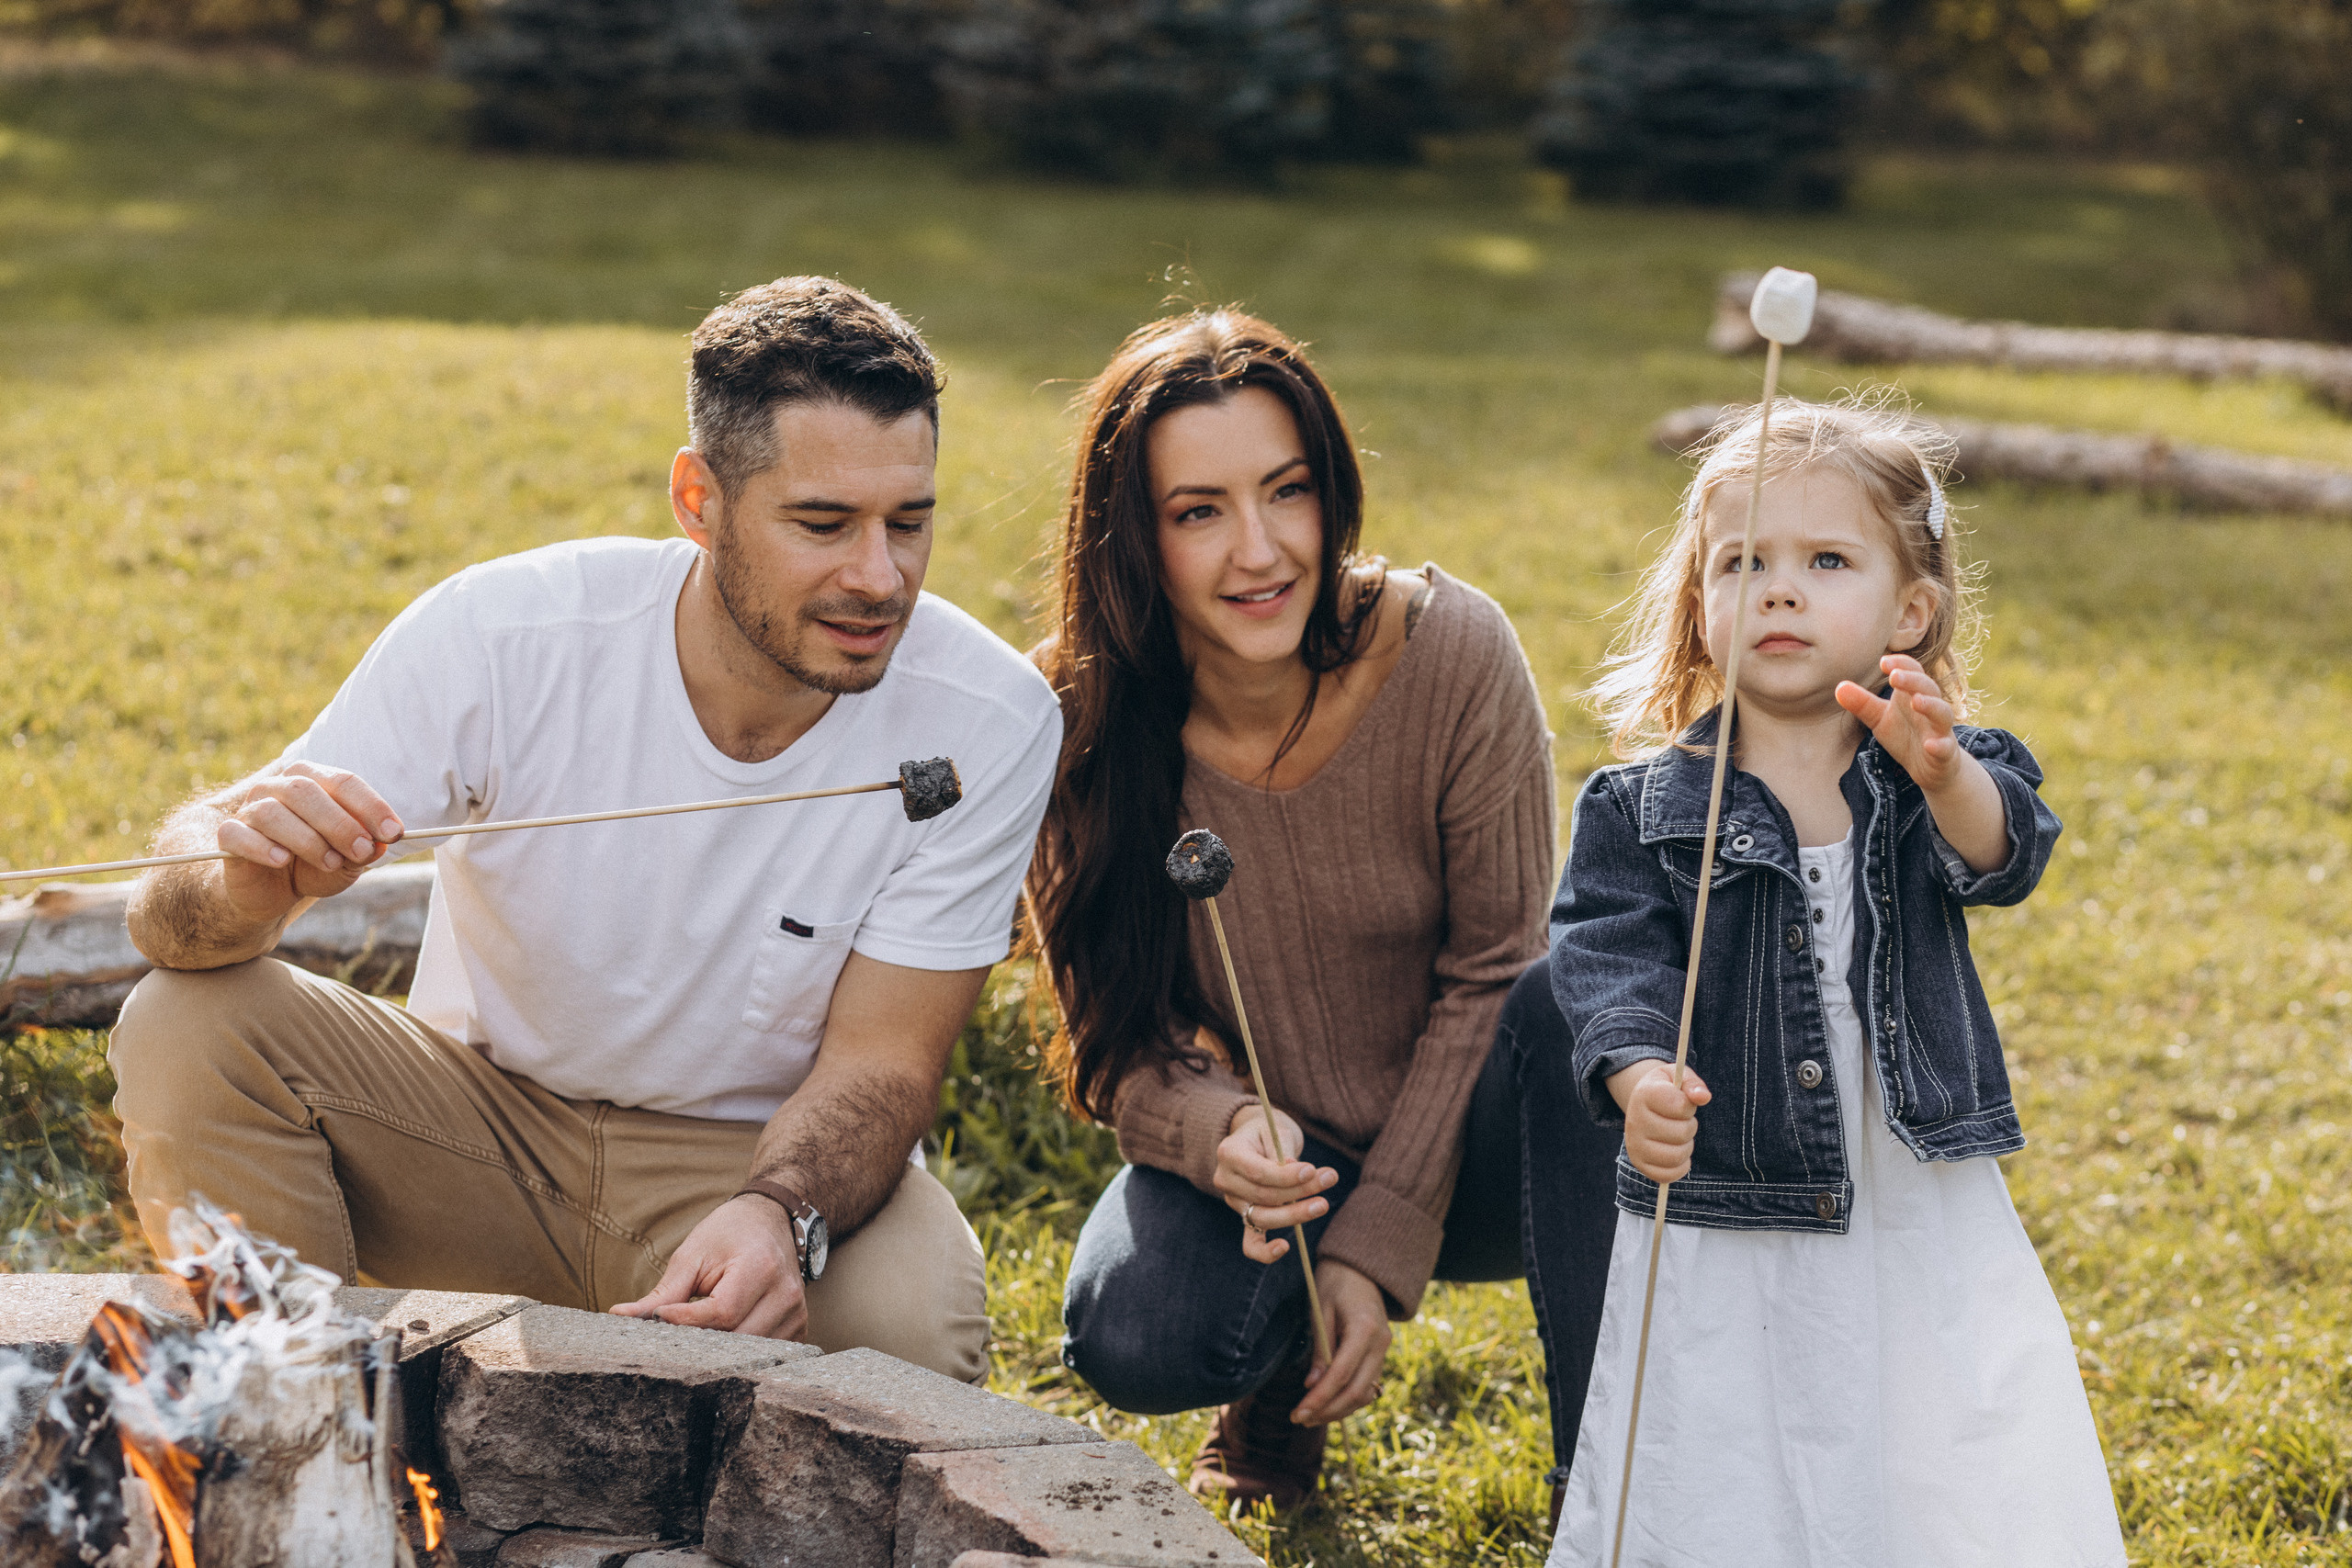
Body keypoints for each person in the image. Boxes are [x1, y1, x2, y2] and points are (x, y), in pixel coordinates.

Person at [108, 276, 1062, 1383]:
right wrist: (241, 879)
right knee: (188, 1017)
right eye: (822, 524)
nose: (877, 576)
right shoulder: (508, 633)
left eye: (910, 521)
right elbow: (171, 926)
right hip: (468, 1136)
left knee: (911, 1331)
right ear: (698, 500)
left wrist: (777, 1212)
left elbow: (886, 1062)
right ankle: (297, 1432)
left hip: (745, 1169)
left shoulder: (989, 719)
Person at [1025, 309, 1622, 1516]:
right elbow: (1117, 1041)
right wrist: (1219, 1131)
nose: (1260, 550)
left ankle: (1605, 1482)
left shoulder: (1455, 652)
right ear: (1130, 537)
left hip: (1485, 1132)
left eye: (1286, 491)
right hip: (1280, 1165)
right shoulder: (1067, 723)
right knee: (1133, 1328)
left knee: (1573, 1005)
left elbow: (1495, 971)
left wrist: (1376, 1239)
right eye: (1198, 511)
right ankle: (1275, 1381)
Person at [1546, 400, 2125, 1564]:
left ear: (1908, 608)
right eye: (1740, 562)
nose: (1777, 589)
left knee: (1936, 1402)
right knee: (1724, 1413)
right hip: (1727, 1178)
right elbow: (1604, 948)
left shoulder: (1935, 772)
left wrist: (1944, 769)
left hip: (1909, 1167)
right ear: (1698, 608)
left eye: (1824, 560)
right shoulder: (1641, 804)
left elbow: (2004, 854)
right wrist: (1635, 1070)